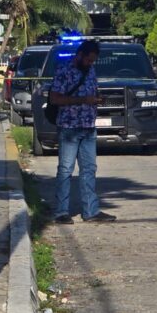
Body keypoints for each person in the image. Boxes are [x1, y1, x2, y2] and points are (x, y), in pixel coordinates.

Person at [48, 39, 116, 224]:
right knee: (66, 170)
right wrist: (82, 100)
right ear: (80, 55)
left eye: (93, 61)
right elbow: (55, 99)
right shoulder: (64, 70)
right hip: (69, 127)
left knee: (89, 169)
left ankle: (91, 211)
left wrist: (96, 99)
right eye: (88, 60)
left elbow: (91, 91)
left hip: (88, 127)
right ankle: (61, 212)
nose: (90, 64)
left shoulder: (90, 70)